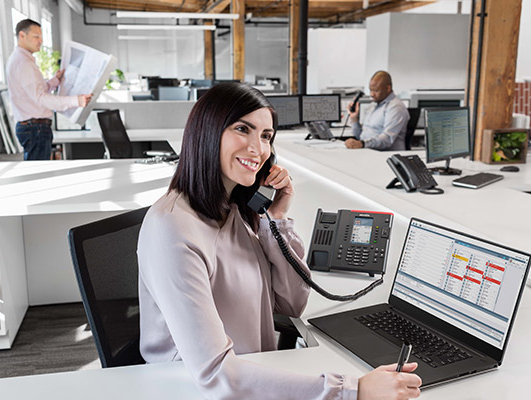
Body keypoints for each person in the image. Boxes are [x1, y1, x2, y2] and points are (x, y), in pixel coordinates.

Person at [137, 82, 421, 400]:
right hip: (196, 390)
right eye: (243, 129)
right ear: (207, 132)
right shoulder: (173, 230)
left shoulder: (236, 211)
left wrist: (277, 219)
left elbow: (291, 304)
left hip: (252, 378)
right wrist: (353, 391)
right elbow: (215, 372)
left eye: (266, 136)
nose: (259, 149)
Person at [5, 19, 92, 160]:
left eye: (41, 37)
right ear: (22, 35)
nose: (40, 41)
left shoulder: (22, 60)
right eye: (36, 37)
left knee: (38, 172)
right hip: (35, 128)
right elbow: (40, 98)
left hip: (34, 128)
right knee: (38, 174)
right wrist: (76, 101)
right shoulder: (23, 62)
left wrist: (55, 81)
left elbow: (36, 92)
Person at [345, 71, 409, 151]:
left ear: (388, 88)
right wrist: (354, 119)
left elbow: (387, 139)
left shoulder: (396, 107)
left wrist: (362, 144)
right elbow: (360, 136)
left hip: (385, 155)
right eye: (370, 90)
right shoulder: (373, 105)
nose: (372, 94)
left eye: (375, 91)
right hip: (368, 151)